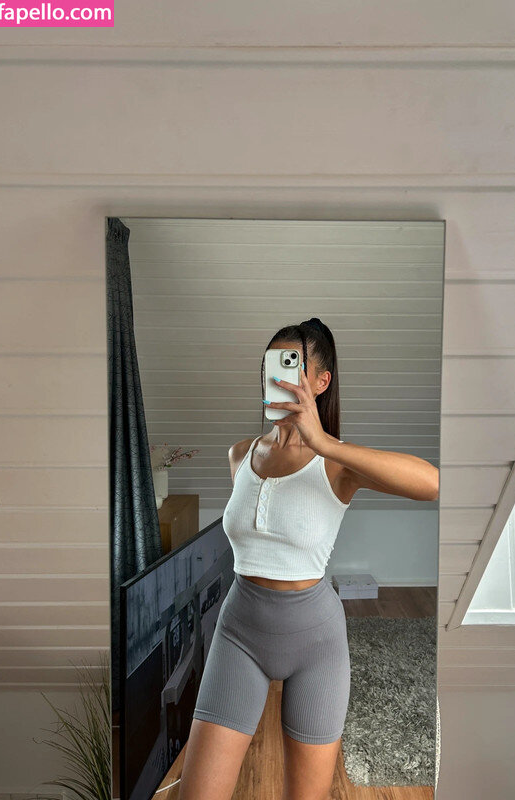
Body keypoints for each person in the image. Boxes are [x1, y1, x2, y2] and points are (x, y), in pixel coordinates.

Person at [178, 318, 439, 800]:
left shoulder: (336, 463)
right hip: (238, 633)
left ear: (321, 382)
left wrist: (322, 442)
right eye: (270, 366)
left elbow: (432, 483)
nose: (276, 377)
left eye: (291, 366)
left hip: (316, 643)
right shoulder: (240, 455)